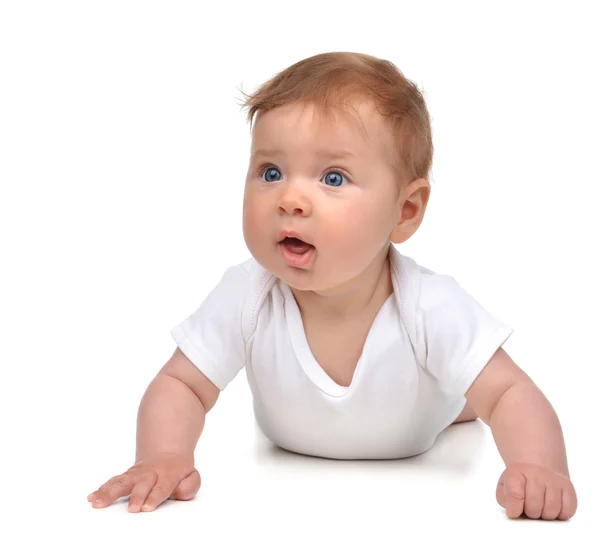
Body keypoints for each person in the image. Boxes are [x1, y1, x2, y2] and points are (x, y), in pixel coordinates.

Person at [87, 52, 577, 520]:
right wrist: (163, 455)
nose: (291, 199)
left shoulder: (430, 307)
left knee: (471, 390)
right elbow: (181, 384)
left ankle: (457, 396)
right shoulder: (247, 294)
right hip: (296, 441)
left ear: (405, 212)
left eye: (334, 178)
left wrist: (539, 466)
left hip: (424, 419)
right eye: (271, 172)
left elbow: (512, 392)